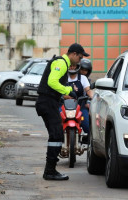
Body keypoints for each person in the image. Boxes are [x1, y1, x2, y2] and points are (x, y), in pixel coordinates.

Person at [36, 43, 89, 181]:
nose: (80, 60)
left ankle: (50, 169)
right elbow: (52, 81)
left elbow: (53, 85)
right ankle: (50, 171)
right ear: (73, 54)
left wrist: (64, 95)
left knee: (57, 134)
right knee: (56, 134)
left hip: (49, 102)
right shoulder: (61, 63)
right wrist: (68, 90)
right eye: (80, 57)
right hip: (47, 103)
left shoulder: (63, 64)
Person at [64, 63, 93, 143]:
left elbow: (88, 90)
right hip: (64, 106)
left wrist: (92, 97)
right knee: (57, 123)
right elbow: (57, 90)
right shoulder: (63, 77)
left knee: (87, 125)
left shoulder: (83, 78)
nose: (72, 67)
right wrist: (64, 97)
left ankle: (88, 140)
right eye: (70, 66)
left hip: (80, 106)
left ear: (77, 67)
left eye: (74, 66)